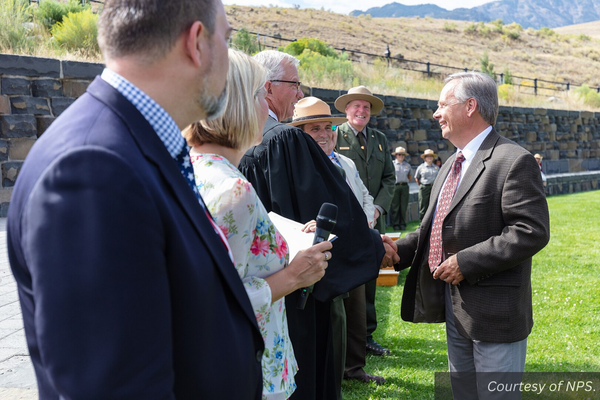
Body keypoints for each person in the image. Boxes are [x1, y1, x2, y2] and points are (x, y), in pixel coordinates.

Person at [6, 2, 266, 399]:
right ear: (197, 42)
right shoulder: (95, 168)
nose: (229, 63)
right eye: (226, 39)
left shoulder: (132, 146)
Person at [239, 50, 395, 400]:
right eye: (295, 84)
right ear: (267, 87)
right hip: (299, 296)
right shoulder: (285, 142)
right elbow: (330, 209)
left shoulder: (245, 148)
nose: (299, 93)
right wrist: (374, 247)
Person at [391, 72, 550, 399]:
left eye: (442, 104)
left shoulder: (513, 160)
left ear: (470, 106)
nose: (436, 114)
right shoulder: (451, 163)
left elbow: (530, 230)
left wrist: (466, 261)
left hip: (495, 316)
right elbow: (431, 229)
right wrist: (392, 250)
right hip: (456, 309)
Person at [184, 50, 332, 400]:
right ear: (239, 104)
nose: (266, 107)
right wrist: (296, 274)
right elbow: (216, 301)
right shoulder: (231, 189)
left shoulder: (190, 168)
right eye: (259, 95)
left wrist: (282, 238)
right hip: (246, 370)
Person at [290, 97, 385, 389]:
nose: (323, 134)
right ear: (301, 134)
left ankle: (354, 367)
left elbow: (364, 196)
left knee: (356, 309)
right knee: (334, 315)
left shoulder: (345, 162)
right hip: (323, 249)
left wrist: (367, 219)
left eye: (327, 128)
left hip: (356, 240)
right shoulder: (299, 167)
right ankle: (333, 372)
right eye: (314, 129)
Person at [335, 86, 395, 357]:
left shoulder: (380, 138)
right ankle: (346, 335)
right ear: (346, 110)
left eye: (366, 108)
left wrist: (379, 209)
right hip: (348, 222)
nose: (362, 111)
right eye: (356, 106)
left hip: (374, 221)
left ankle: (367, 335)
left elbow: (389, 179)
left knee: (370, 277)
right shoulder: (334, 136)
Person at [390, 146, 413, 231]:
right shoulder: (392, 164)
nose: (401, 156)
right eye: (399, 154)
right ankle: (396, 224)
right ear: (396, 155)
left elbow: (410, 176)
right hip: (395, 186)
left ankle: (402, 224)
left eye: (402, 155)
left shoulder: (407, 165)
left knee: (403, 206)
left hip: (404, 186)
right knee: (395, 206)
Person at [414, 148, 440, 220]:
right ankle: (422, 222)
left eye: (431, 156)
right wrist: (422, 185)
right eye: (428, 156)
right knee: (423, 205)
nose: (429, 157)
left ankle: (432, 221)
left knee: (433, 205)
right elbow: (417, 178)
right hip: (424, 187)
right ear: (425, 158)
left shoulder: (436, 167)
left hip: (434, 188)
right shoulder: (421, 167)